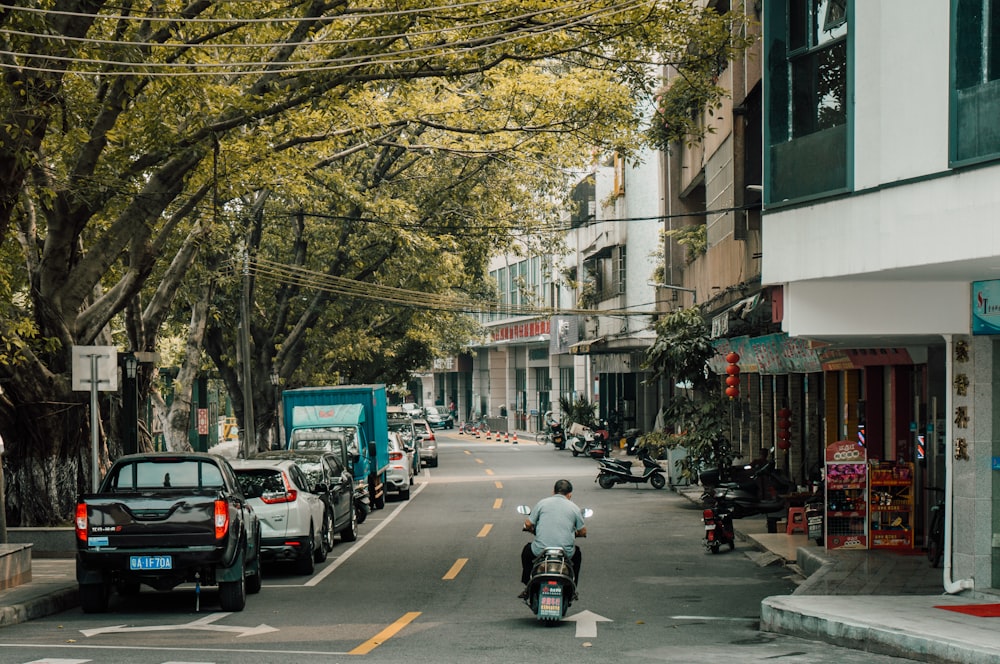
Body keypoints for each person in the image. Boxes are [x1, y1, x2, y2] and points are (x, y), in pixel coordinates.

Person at [519, 479, 586, 599]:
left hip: (540, 550)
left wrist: (532, 530)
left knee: (526, 551)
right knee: (578, 555)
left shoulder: (542, 503)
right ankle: (573, 588)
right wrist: (574, 533)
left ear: (553, 492)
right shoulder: (574, 507)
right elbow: (583, 531)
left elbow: (528, 524)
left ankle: (527, 583)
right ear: (569, 494)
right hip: (565, 552)